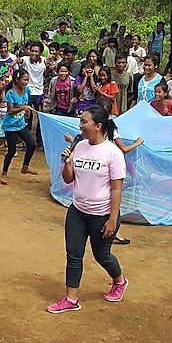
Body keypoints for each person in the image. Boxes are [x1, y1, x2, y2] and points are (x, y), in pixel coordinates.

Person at [47, 104, 128, 313]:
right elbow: (68, 179)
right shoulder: (80, 147)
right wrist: (67, 162)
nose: (80, 125)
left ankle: (119, 281)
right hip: (77, 212)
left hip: (102, 215)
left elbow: (117, 189)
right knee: (74, 255)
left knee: (102, 256)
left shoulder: (113, 153)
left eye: (84, 122)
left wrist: (112, 219)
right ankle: (71, 299)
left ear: (98, 126)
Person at [0, 69, 38, 185]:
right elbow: (10, 111)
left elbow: (27, 104)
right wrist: (23, 108)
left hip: (20, 123)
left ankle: (25, 167)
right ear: (17, 80)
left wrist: (27, 112)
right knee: (12, 150)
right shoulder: (10, 93)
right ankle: (4, 173)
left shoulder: (27, 90)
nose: (26, 82)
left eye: (27, 80)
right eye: (24, 80)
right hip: (10, 125)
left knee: (31, 145)